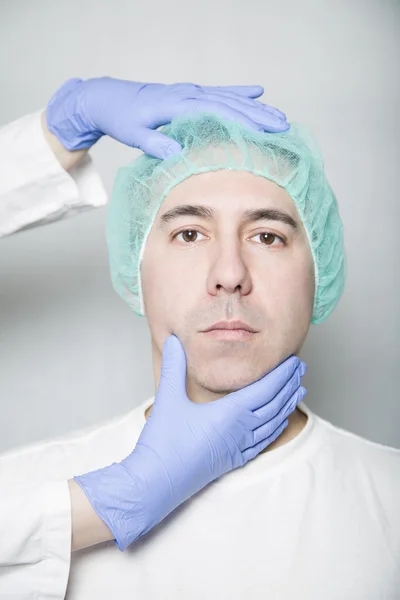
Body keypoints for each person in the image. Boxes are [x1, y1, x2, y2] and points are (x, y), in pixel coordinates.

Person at [0, 78, 307, 599]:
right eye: (189, 234)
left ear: (319, 271)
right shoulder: (23, 482)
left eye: (267, 236)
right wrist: (103, 503)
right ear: (135, 267)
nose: (230, 273)